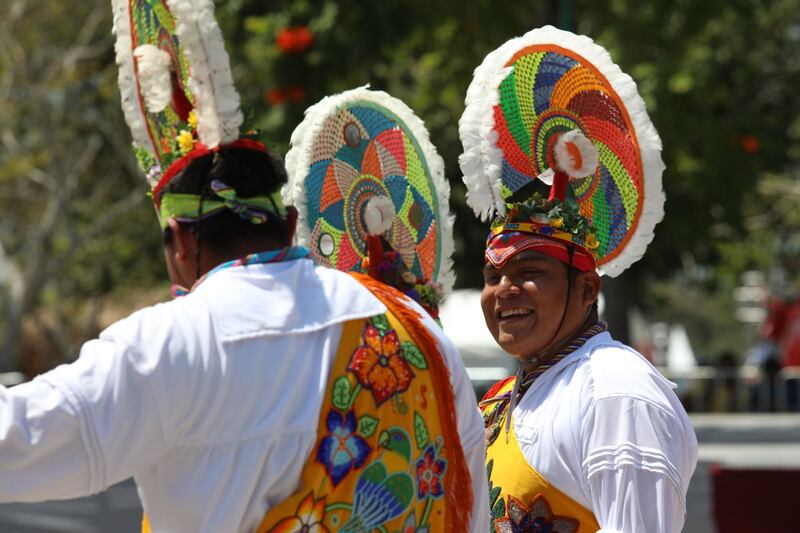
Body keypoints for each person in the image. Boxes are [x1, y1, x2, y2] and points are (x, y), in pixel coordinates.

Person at [0, 3, 488, 531]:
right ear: (290, 221)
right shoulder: (416, 329)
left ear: (181, 243)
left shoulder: (175, 343)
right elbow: (468, 503)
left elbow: (18, 440)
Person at [458, 26, 698, 532]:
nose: (503, 290)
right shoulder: (506, 395)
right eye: (492, 275)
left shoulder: (616, 394)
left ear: (588, 288)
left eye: (529, 273)